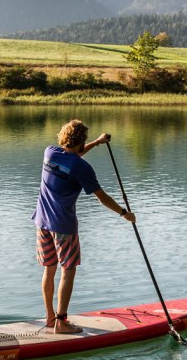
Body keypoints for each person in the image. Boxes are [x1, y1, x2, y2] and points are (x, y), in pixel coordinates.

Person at [32, 120, 135, 334]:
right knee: (67, 271)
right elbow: (102, 197)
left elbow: (72, 158)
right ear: (81, 142)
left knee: (49, 269)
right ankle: (61, 322)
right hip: (64, 227)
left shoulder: (50, 153)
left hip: (42, 222)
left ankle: (51, 317)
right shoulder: (82, 167)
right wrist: (124, 213)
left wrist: (97, 142)